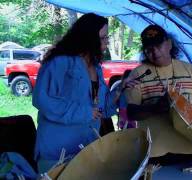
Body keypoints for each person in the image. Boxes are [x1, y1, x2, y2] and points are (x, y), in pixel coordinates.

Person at [32, 13, 133, 173]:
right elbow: (42, 100)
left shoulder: (96, 67)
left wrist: (120, 89)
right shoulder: (60, 61)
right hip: (57, 152)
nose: (107, 41)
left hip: (85, 149)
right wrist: (84, 112)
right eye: (103, 37)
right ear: (87, 38)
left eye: (107, 37)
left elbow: (101, 109)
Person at [125, 25, 192, 165]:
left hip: (187, 149)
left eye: (158, 45)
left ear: (169, 44)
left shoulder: (190, 70)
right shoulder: (138, 74)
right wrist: (155, 108)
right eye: (149, 48)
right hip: (152, 152)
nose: (154, 51)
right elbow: (131, 113)